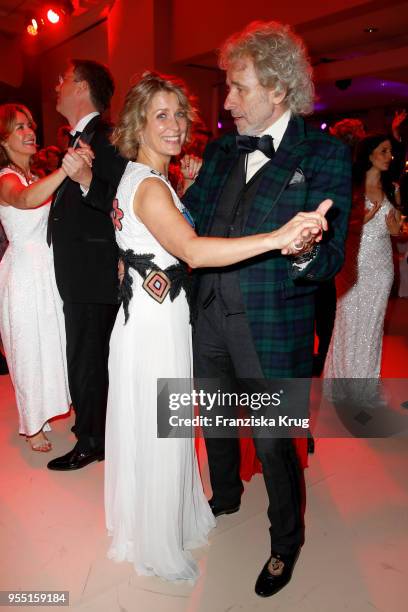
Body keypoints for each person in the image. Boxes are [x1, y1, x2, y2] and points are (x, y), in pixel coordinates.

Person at [104, 71, 332, 582]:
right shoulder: (149, 185)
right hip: (157, 328)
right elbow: (191, 249)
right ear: (138, 123)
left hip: (149, 320)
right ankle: (161, 534)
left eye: (180, 113)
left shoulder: (150, 179)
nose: (176, 124)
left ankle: (174, 522)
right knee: (165, 434)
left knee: (159, 427)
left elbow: (151, 239)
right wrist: (277, 238)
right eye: (161, 115)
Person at [182, 21, 352, 597]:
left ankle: (285, 543)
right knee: (217, 415)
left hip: (273, 322)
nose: (225, 100)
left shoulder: (325, 154)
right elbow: (193, 215)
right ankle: (225, 496)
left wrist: (306, 249)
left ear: (278, 90)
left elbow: (330, 258)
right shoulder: (225, 146)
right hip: (209, 314)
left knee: (277, 442)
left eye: (238, 87)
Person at [46, 59, 127, 471]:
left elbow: (117, 198)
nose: (57, 85)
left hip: (95, 270)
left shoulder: (108, 138)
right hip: (81, 268)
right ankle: (96, 431)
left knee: (89, 356)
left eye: (63, 78)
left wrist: (85, 179)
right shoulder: (84, 137)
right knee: (87, 354)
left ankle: (93, 439)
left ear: (81, 87)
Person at [0, 103, 71, 450]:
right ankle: (31, 424)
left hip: (46, 269)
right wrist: (64, 171)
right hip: (24, 274)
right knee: (27, 348)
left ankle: (49, 407)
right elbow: (25, 200)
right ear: (3, 140)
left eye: (30, 125)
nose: (30, 132)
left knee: (50, 343)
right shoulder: (6, 178)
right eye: (19, 128)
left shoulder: (31, 174)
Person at [324, 134, 401, 400]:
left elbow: (396, 228)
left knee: (372, 325)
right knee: (347, 322)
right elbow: (334, 228)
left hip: (381, 267)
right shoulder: (350, 188)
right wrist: (362, 219)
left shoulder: (393, 189)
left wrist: (396, 230)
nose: (389, 156)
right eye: (383, 150)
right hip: (352, 263)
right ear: (369, 154)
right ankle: (341, 384)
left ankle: (365, 388)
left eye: (390, 151)